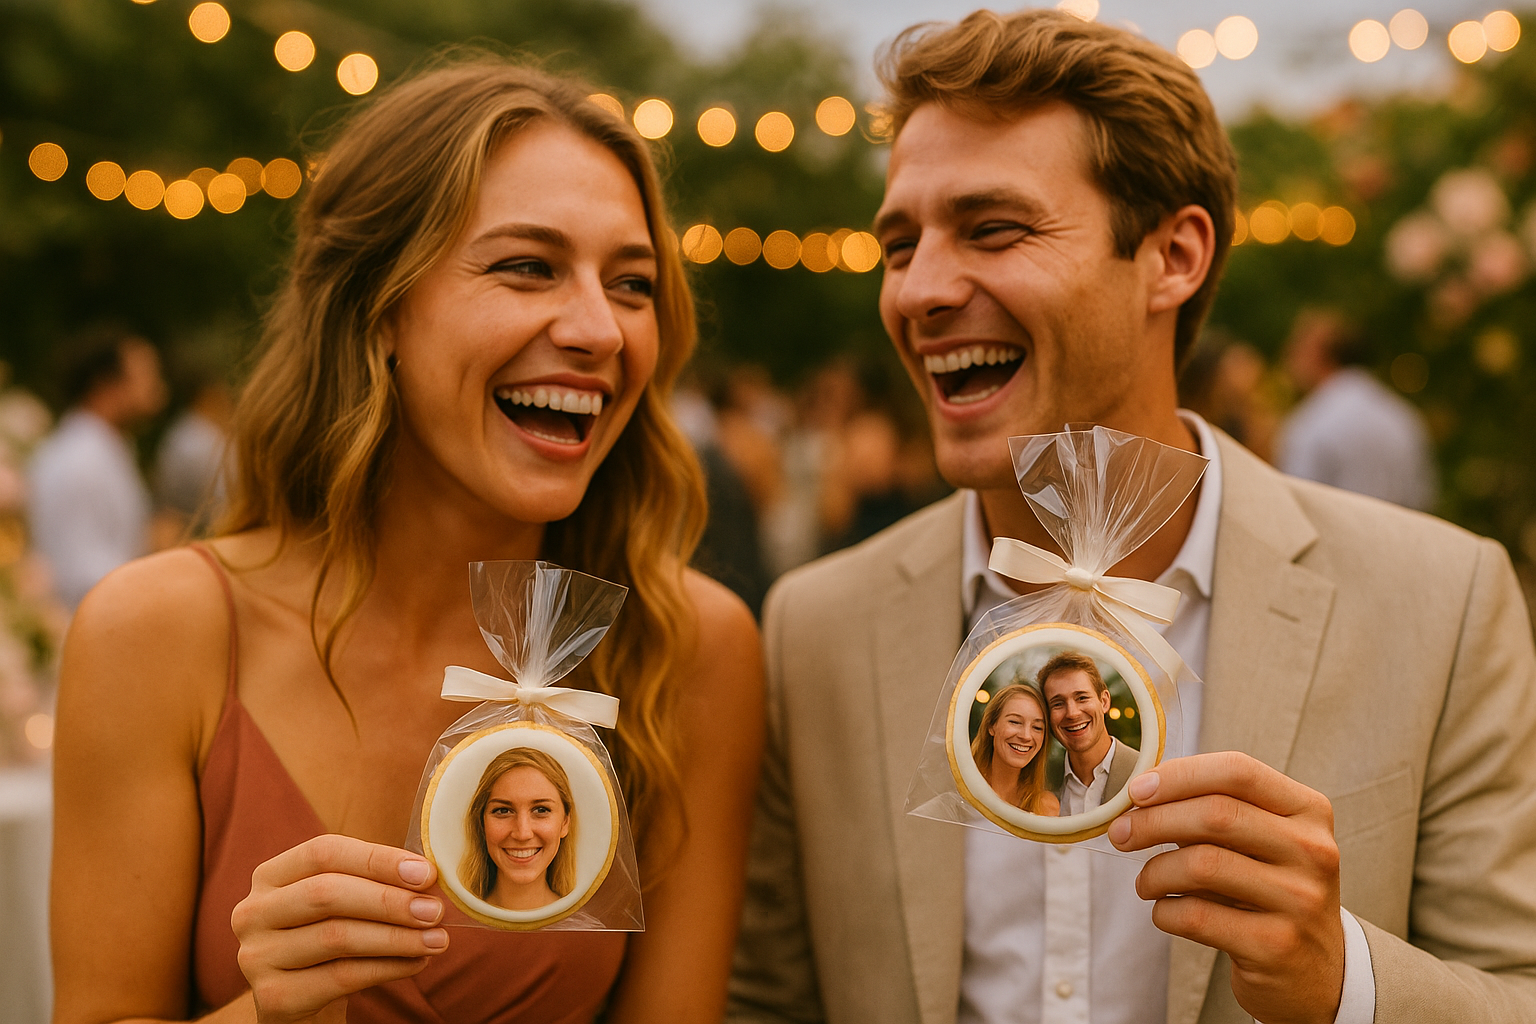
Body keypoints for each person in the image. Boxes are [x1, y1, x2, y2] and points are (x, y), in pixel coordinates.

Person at [730, 10, 1536, 1024]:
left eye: (993, 227)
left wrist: (1343, 980)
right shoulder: (815, 628)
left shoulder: (1442, 601)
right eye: (900, 243)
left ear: (1174, 256)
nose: (922, 289)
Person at [51, 59, 764, 1024]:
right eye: (528, 266)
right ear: (381, 307)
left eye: (631, 283)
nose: (600, 329)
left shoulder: (692, 648)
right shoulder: (156, 633)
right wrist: (268, 1013)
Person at [27, 324, 167, 609]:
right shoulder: (79, 461)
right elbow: (83, 574)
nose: (158, 386)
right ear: (106, 385)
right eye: (145, 375)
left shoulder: (104, 449)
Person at [1277, 307, 1436, 510]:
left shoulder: (1311, 422)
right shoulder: (1402, 416)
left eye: (1295, 348)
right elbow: (1422, 494)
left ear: (1317, 353)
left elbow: (1295, 504)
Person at [462, 748, 576, 911]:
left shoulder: (591, 931)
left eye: (541, 810)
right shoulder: (445, 924)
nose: (523, 834)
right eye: (503, 811)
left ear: (565, 822)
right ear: (481, 822)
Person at [1037, 653, 1135, 814]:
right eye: (1058, 703)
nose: (1072, 713)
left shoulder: (1145, 769)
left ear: (1104, 702)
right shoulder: (1040, 786)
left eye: (1082, 698)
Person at [970, 682, 1058, 815]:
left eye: (1037, 727)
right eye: (1015, 722)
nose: (1026, 736)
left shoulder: (1046, 807)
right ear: (991, 725)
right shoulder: (964, 790)